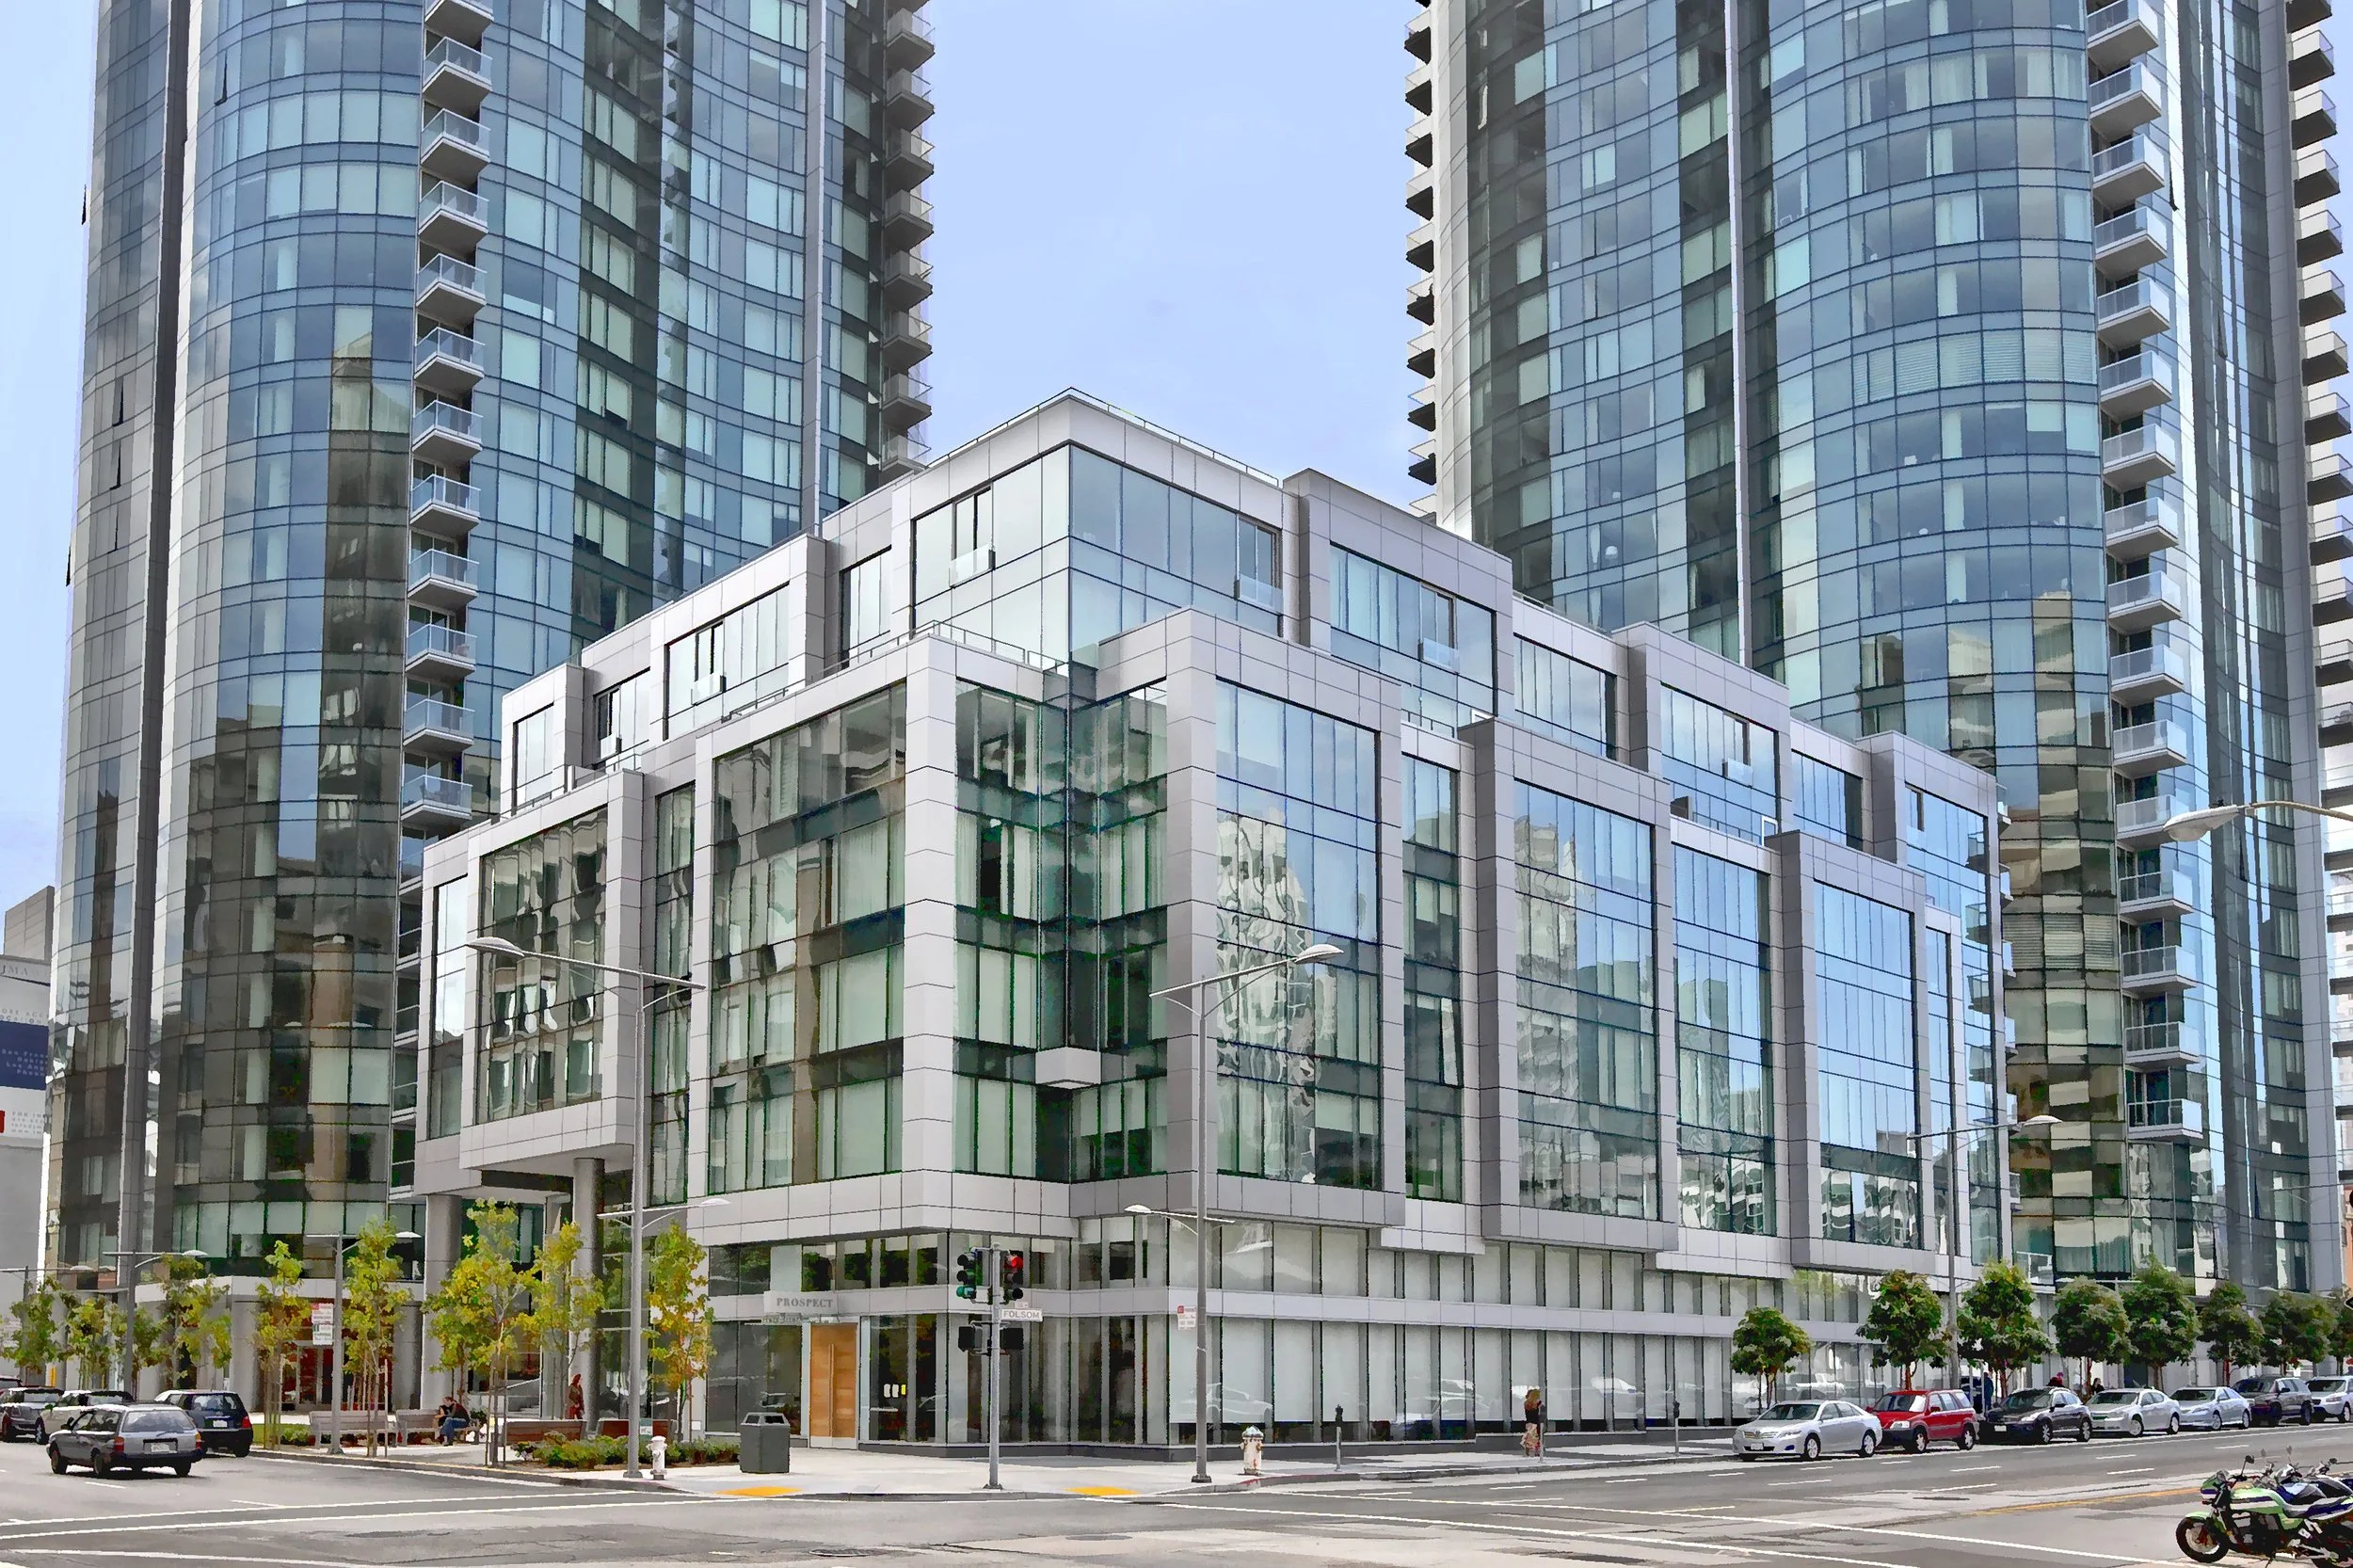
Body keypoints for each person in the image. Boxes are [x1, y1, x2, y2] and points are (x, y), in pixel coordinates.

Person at [1522, 1386, 1545, 1459]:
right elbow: (1542, 1409)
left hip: (1528, 1422)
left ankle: (1527, 1452)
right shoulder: (1537, 1404)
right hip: (1535, 1423)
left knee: (1529, 1437)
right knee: (1536, 1438)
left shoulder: (1526, 1403)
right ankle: (1537, 1451)